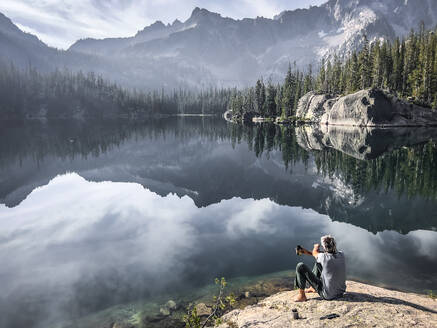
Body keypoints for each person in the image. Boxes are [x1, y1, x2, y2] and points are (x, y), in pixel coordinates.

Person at [294, 235, 346, 302]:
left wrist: (316, 247)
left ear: (324, 246)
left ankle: (302, 296)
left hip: (328, 295)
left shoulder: (323, 257)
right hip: (341, 293)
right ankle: (312, 288)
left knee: (300, 266)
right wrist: (304, 251)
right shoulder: (342, 254)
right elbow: (322, 254)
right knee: (318, 263)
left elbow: (315, 253)